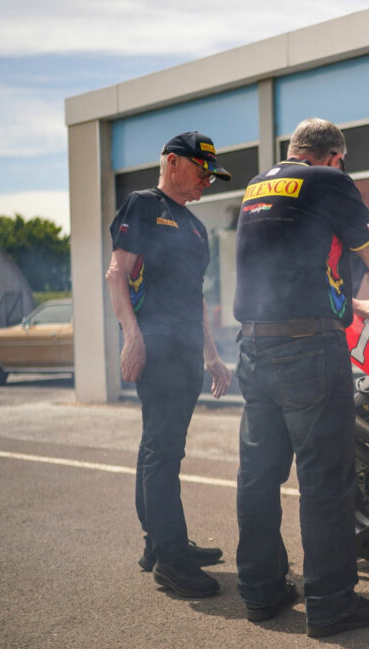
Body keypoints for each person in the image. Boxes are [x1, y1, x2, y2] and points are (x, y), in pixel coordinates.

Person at [233, 118, 369, 637]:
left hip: (253, 343)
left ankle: (261, 590)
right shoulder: (329, 182)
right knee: (325, 479)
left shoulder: (258, 186)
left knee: (260, 474)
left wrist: (347, 303)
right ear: (334, 157)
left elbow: (292, 267)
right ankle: (332, 604)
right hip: (307, 350)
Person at [104, 131, 234, 598]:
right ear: (174, 163)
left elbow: (194, 295)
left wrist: (212, 354)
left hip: (184, 351)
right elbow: (118, 272)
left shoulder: (196, 227)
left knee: (160, 446)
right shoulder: (142, 204)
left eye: (212, 177)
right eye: (203, 172)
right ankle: (172, 561)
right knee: (163, 450)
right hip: (155, 348)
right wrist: (132, 337)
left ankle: (157, 544)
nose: (207, 182)